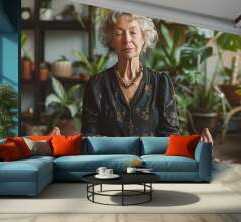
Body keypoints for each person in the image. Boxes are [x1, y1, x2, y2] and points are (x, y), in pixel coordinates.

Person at [50, 11, 213, 144]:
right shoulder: (97, 84)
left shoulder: (161, 83)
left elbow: (171, 136)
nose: (127, 40)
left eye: (133, 32)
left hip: (150, 167)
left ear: (143, 38)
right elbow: (89, 136)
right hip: (110, 167)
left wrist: (197, 144)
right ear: (111, 40)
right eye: (119, 33)